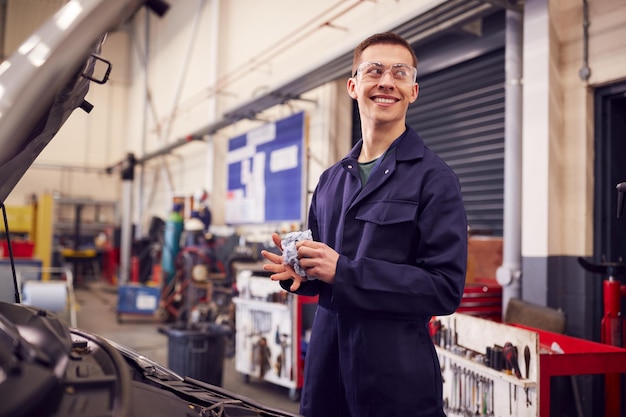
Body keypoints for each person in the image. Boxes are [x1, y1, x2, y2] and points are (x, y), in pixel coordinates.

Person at [261, 32, 468, 417]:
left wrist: (345, 271)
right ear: (353, 86)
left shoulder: (435, 180)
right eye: (374, 70)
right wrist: (302, 274)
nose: (386, 81)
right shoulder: (329, 181)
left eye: (399, 73)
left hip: (396, 382)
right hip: (327, 372)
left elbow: (444, 288)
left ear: (414, 90)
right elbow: (326, 276)